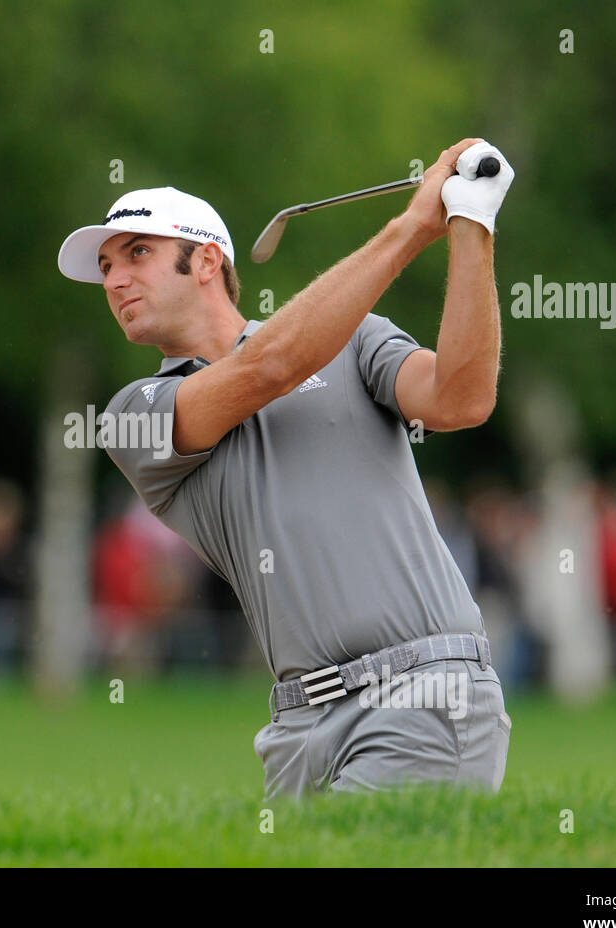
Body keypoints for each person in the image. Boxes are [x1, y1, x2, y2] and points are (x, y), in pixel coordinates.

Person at [57, 138, 516, 799]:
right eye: (104, 267)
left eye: (136, 253)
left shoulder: (358, 339)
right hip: (297, 728)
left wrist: (471, 222)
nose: (114, 279)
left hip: (426, 691)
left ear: (206, 260)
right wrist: (414, 226)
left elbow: (461, 398)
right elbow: (269, 367)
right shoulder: (134, 416)